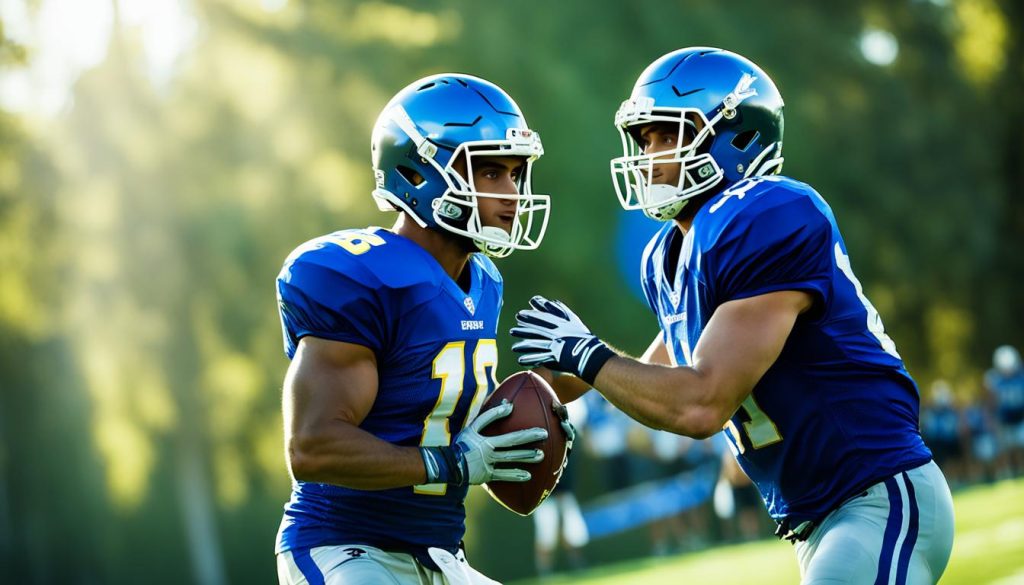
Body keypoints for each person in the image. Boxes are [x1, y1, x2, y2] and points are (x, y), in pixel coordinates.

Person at [509, 47, 955, 584]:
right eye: (644, 138)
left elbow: (701, 404)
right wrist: (540, 390)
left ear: (736, 137)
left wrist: (586, 353)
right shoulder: (672, 252)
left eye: (666, 134)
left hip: (878, 494)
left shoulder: (770, 215)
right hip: (821, 519)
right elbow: (659, 383)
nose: (649, 154)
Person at [274, 73, 557, 585]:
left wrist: (547, 406)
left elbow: (441, 408)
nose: (512, 194)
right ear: (419, 174)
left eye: (516, 174)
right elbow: (312, 446)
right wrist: (452, 463)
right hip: (348, 549)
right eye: (489, 173)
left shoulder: (483, 280)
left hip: (441, 553)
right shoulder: (360, 276)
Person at [984, 344, 1024, 477]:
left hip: (1020, 416)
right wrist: (991, 418)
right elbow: (991, 402)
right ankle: (1008, 472)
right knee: (1004, 448)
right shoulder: (994, 379)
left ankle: (1020, 469)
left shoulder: (1020, 376)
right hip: (1004, 418)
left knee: (1020, 446)